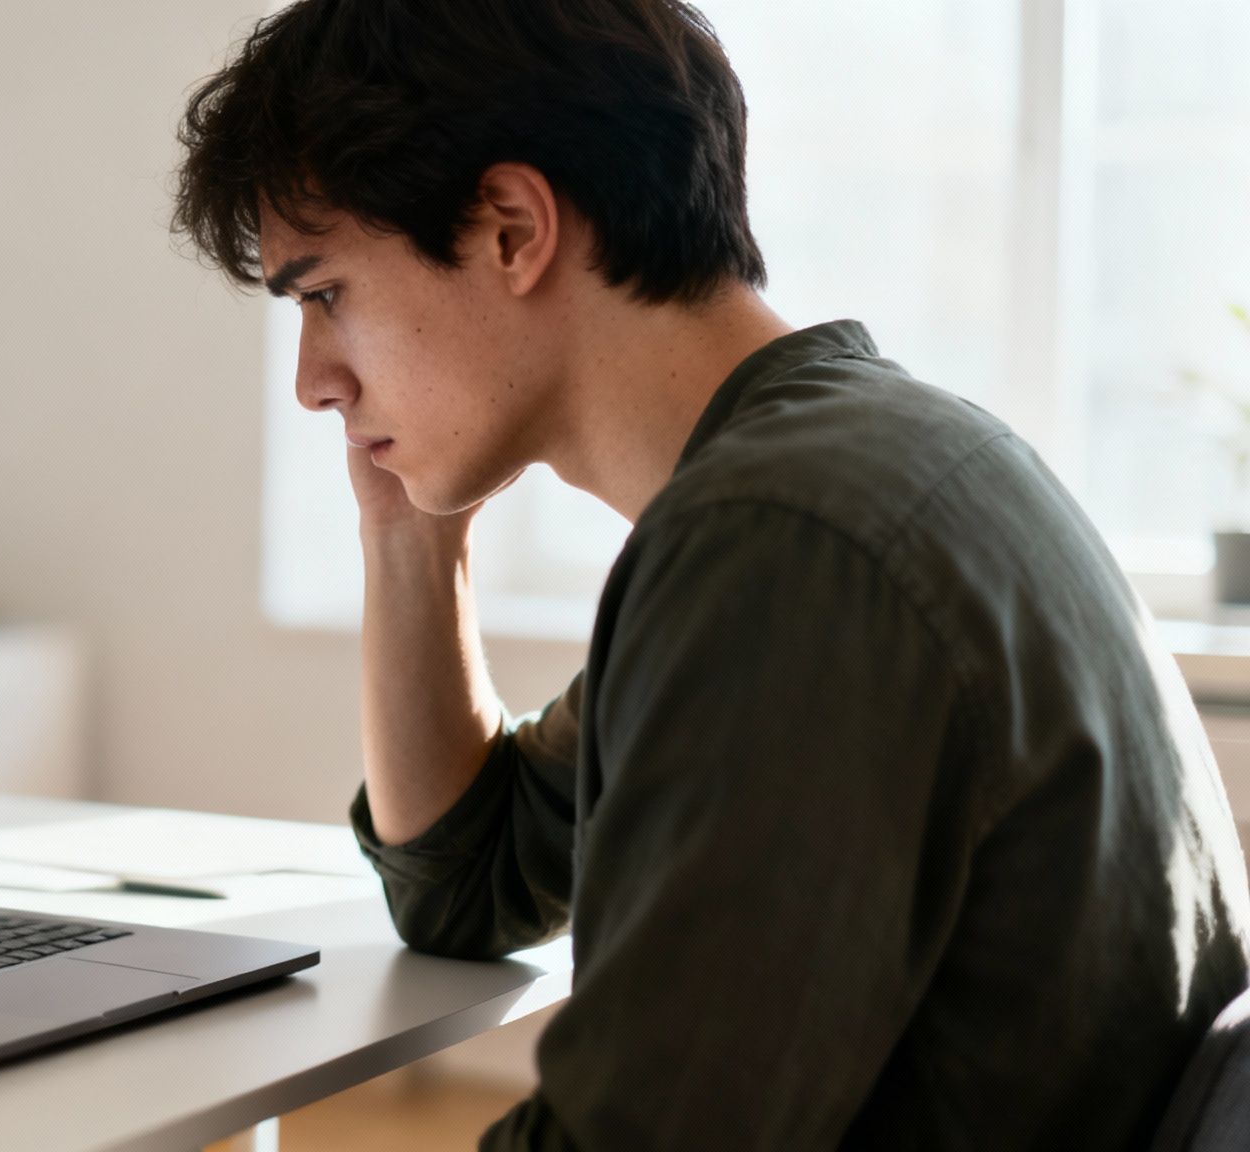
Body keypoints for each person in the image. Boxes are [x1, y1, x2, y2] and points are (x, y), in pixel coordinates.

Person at [169, 1, 1250, 1147]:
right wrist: (408, 529)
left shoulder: (787, 545)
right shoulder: (841, 468)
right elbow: (466, 880)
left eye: (324, 292)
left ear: (509, 229)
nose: (311, 383)